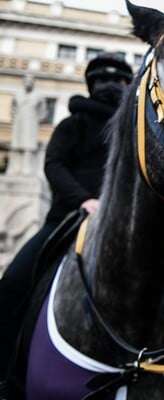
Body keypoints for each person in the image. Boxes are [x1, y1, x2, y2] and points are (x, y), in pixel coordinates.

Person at [0, 52, 133, 386]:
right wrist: (84, 201)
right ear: (91, 85)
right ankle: (4, 375)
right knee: (13, 284)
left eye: (117, 82)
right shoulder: (72, 124)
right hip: (67, 219)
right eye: (103, 81)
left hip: (124, 226)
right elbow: (54, 165)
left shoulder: (135, 131)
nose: (110, 87)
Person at [7, 74, 47, 176]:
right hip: (19, 122)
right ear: (23, 82)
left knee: (29, 147)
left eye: (30, 81)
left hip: (31, 123)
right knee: (16, 145)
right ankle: (14, 169)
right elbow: (12, 109)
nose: (28, 83)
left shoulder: (38, 96)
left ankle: (27, 169)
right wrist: (15, 117)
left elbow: (43, 111)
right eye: (26, 81)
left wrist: (37, 119)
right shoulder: (17, 94)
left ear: (33, 83)